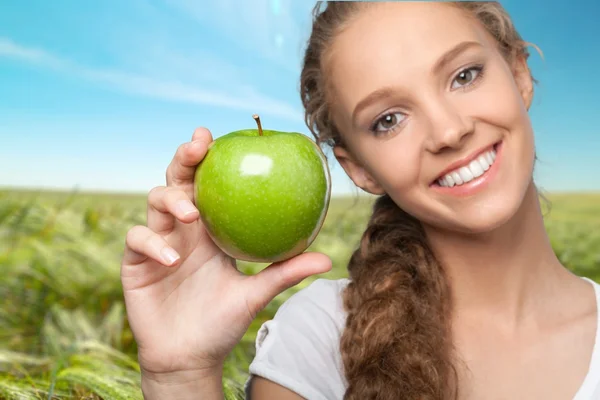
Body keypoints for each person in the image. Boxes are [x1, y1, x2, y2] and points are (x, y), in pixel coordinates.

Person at [120, 1, 600, 399]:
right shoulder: (320, 341)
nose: (449, 131)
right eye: (389, 119)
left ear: (519, 75)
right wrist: (181, 374)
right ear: (359, 169)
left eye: (464, 75)